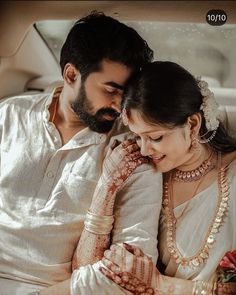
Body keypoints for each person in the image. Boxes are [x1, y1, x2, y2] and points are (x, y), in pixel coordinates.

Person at [0, 12, 163, 295]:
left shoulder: (133, 150)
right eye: (111, 90)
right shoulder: (9, 115)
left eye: (127, 93)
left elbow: (132, 268)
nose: (119, 105)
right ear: (71, 74)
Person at [98, 61, 236, 294]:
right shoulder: (145, 174)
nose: (143, 150)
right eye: (138, 137)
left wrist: (161, 285)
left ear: (192, 124)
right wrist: (107, 187)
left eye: (156, 137)